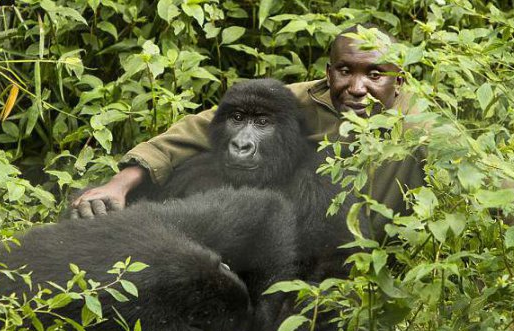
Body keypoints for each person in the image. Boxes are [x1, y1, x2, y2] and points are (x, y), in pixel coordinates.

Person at [71, 25, 425, 234]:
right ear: (329, 72)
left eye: (375, 75)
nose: (357, 87)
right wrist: (119, 184)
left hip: (374, 242)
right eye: (346, 71)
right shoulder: (302, 98)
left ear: (400, 79)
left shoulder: (423, 126)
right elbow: (203, 126)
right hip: (309, 220)